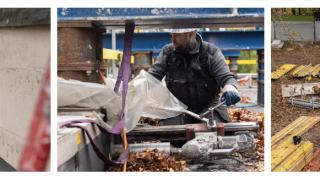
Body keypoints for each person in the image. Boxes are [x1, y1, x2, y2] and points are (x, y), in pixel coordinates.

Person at [148, 29, 240, 124]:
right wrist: (135, 91)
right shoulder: (167, 52)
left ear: (191, 34)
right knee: (171, 132)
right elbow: (152, 77)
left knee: (214, 129)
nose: (173, 39)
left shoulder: (211, 52)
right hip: (178, 107)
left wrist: (231, 89)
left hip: (209, 106)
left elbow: (226, 78)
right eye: (172, 35)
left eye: (177, 35)